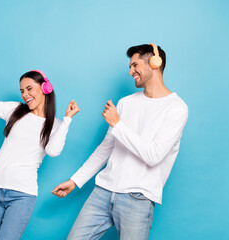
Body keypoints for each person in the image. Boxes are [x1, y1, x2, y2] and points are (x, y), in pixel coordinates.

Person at [52, 43, 188, 240]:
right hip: (104, 190)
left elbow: (154, 155)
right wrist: (76, 180)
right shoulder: (125, 103)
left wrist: (117, 124)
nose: (130, 71)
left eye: (135, 65)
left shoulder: (176, 108)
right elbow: (106, 148)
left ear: (154, 62)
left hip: (138, 198)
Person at [0, 46, 80, 240]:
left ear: (45, 88)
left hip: (22, 194)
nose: (25, 94)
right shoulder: (15, 110)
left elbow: (53, 151)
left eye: (29, 89)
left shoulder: (56, 125)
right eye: (22, 91)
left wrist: (67, 119)